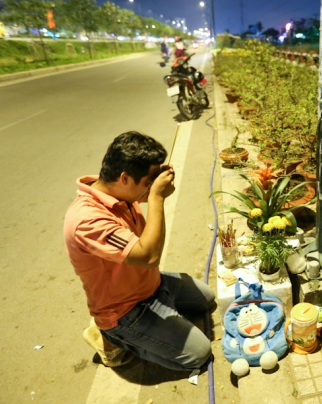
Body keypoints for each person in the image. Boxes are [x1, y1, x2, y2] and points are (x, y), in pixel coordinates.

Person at [64, 131, 216, 372]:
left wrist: (155, 179)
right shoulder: (88, 221)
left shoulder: (113, 190)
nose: (148, 190)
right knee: (198, 355)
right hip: (125, 309)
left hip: (148, 284)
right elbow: (149, 256)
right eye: (147, 182)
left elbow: (142, 192)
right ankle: (114, 340)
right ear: (125, 177)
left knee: (205, 299)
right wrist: (156, 197)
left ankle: (159, 318)